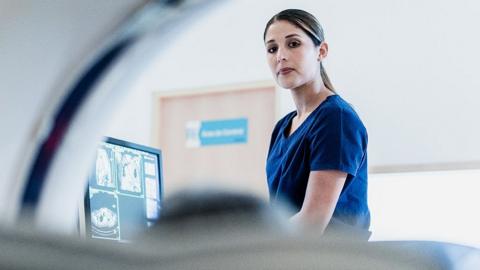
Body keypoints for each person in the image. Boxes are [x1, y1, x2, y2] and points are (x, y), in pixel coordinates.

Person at [264, 9, 370, 235]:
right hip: (289, 255)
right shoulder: (283, 127)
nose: (280, 56)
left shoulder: (336, 119)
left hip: (330, 258)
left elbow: (312, 222)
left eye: (293, 44)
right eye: (272, 49)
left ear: (321, 51)